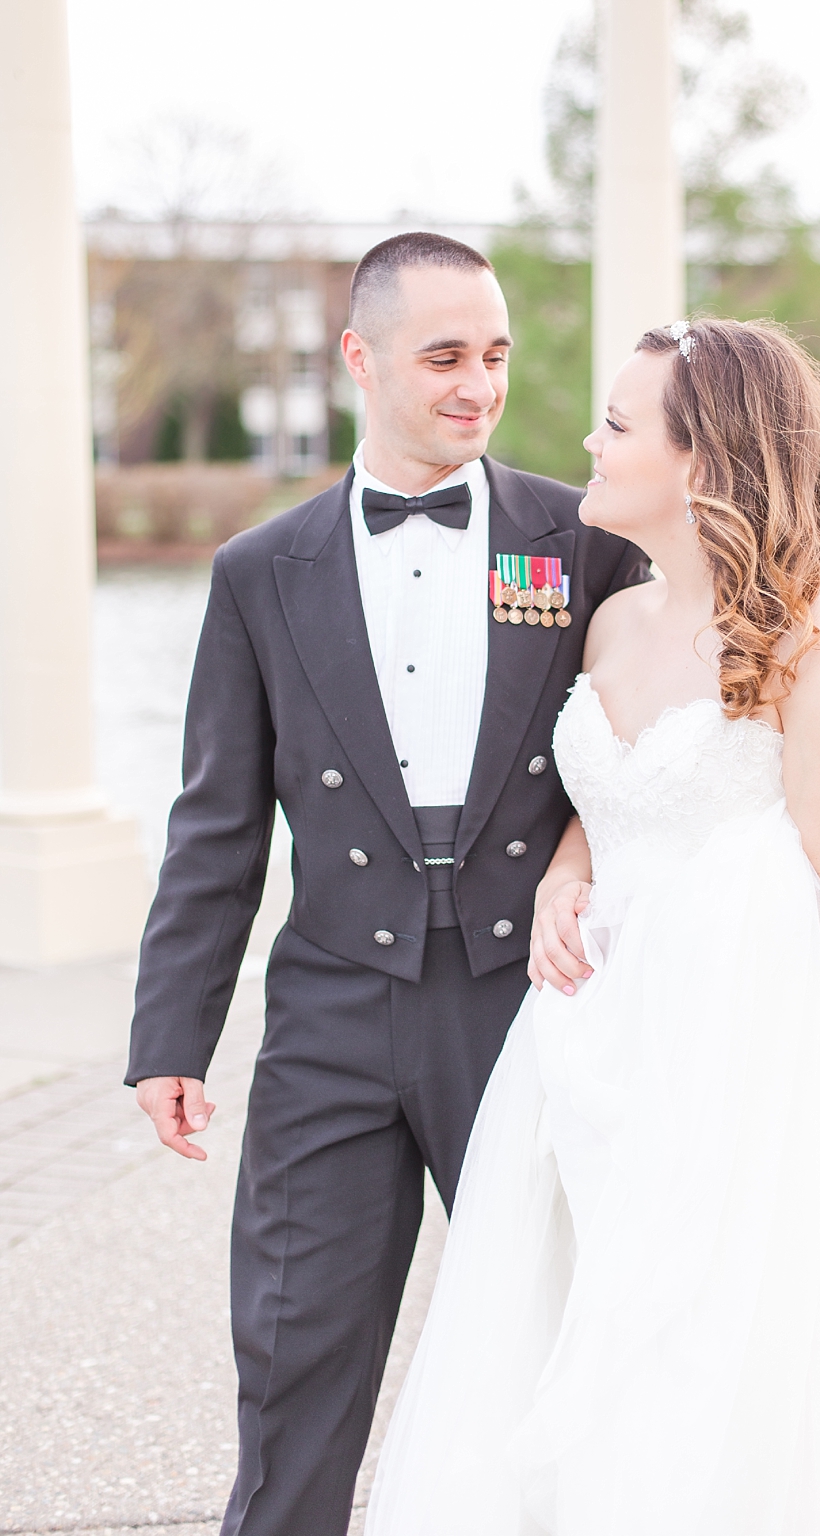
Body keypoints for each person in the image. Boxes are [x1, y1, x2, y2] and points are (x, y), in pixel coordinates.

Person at [365, 317, 820, 1533]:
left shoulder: (816, 639)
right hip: (583, 1056)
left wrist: (676, 921)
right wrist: (569, 869)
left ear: (702, 460)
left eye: (618, 423)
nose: (586, 436)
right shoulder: (613, 620)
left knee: (690, 1361)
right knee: (557, 1332)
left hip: (730, 1073)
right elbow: (621, 799)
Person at [126, 232, 653, 1536]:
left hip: (530, 1001)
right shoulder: (261, 570)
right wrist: (170, 1034)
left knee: (560, 1351)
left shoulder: (581, 540)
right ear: (359, 358)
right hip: (333, 1013)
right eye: (444, 357)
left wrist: (579, 869)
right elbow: (217, 823)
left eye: (494, 355)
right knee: (297, 1352)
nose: (479, 385)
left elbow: (638, 757)